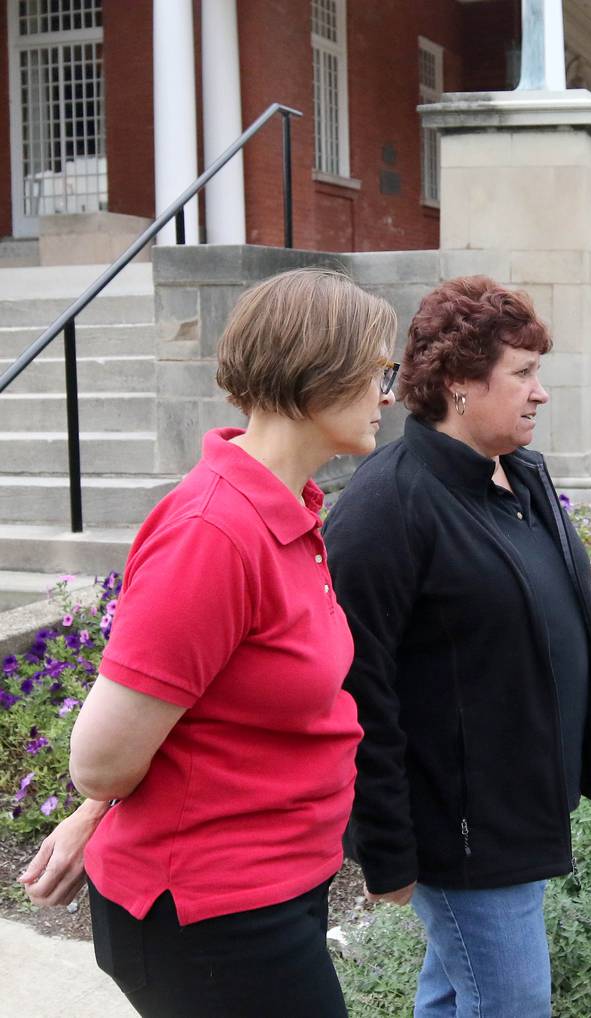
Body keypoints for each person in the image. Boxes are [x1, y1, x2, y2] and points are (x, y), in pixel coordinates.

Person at [18, 267, 399, 1016]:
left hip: (273, 892)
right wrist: (98, 806)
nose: (388, 395)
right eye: (379, 370)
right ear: (320, 369)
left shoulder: (290, 511)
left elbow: (203, 712)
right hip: (210, 915)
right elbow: (100, 758)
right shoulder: (213, 533)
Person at [323, 275, 591, 1018]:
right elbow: (359, 690)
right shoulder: (388, 506)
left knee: (457, 997)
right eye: (522, 374)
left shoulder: (521, 475)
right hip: (464, 835)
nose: (540, 393)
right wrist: (386, 849)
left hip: (521, 806)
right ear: (457, 382)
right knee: (510, 1004)